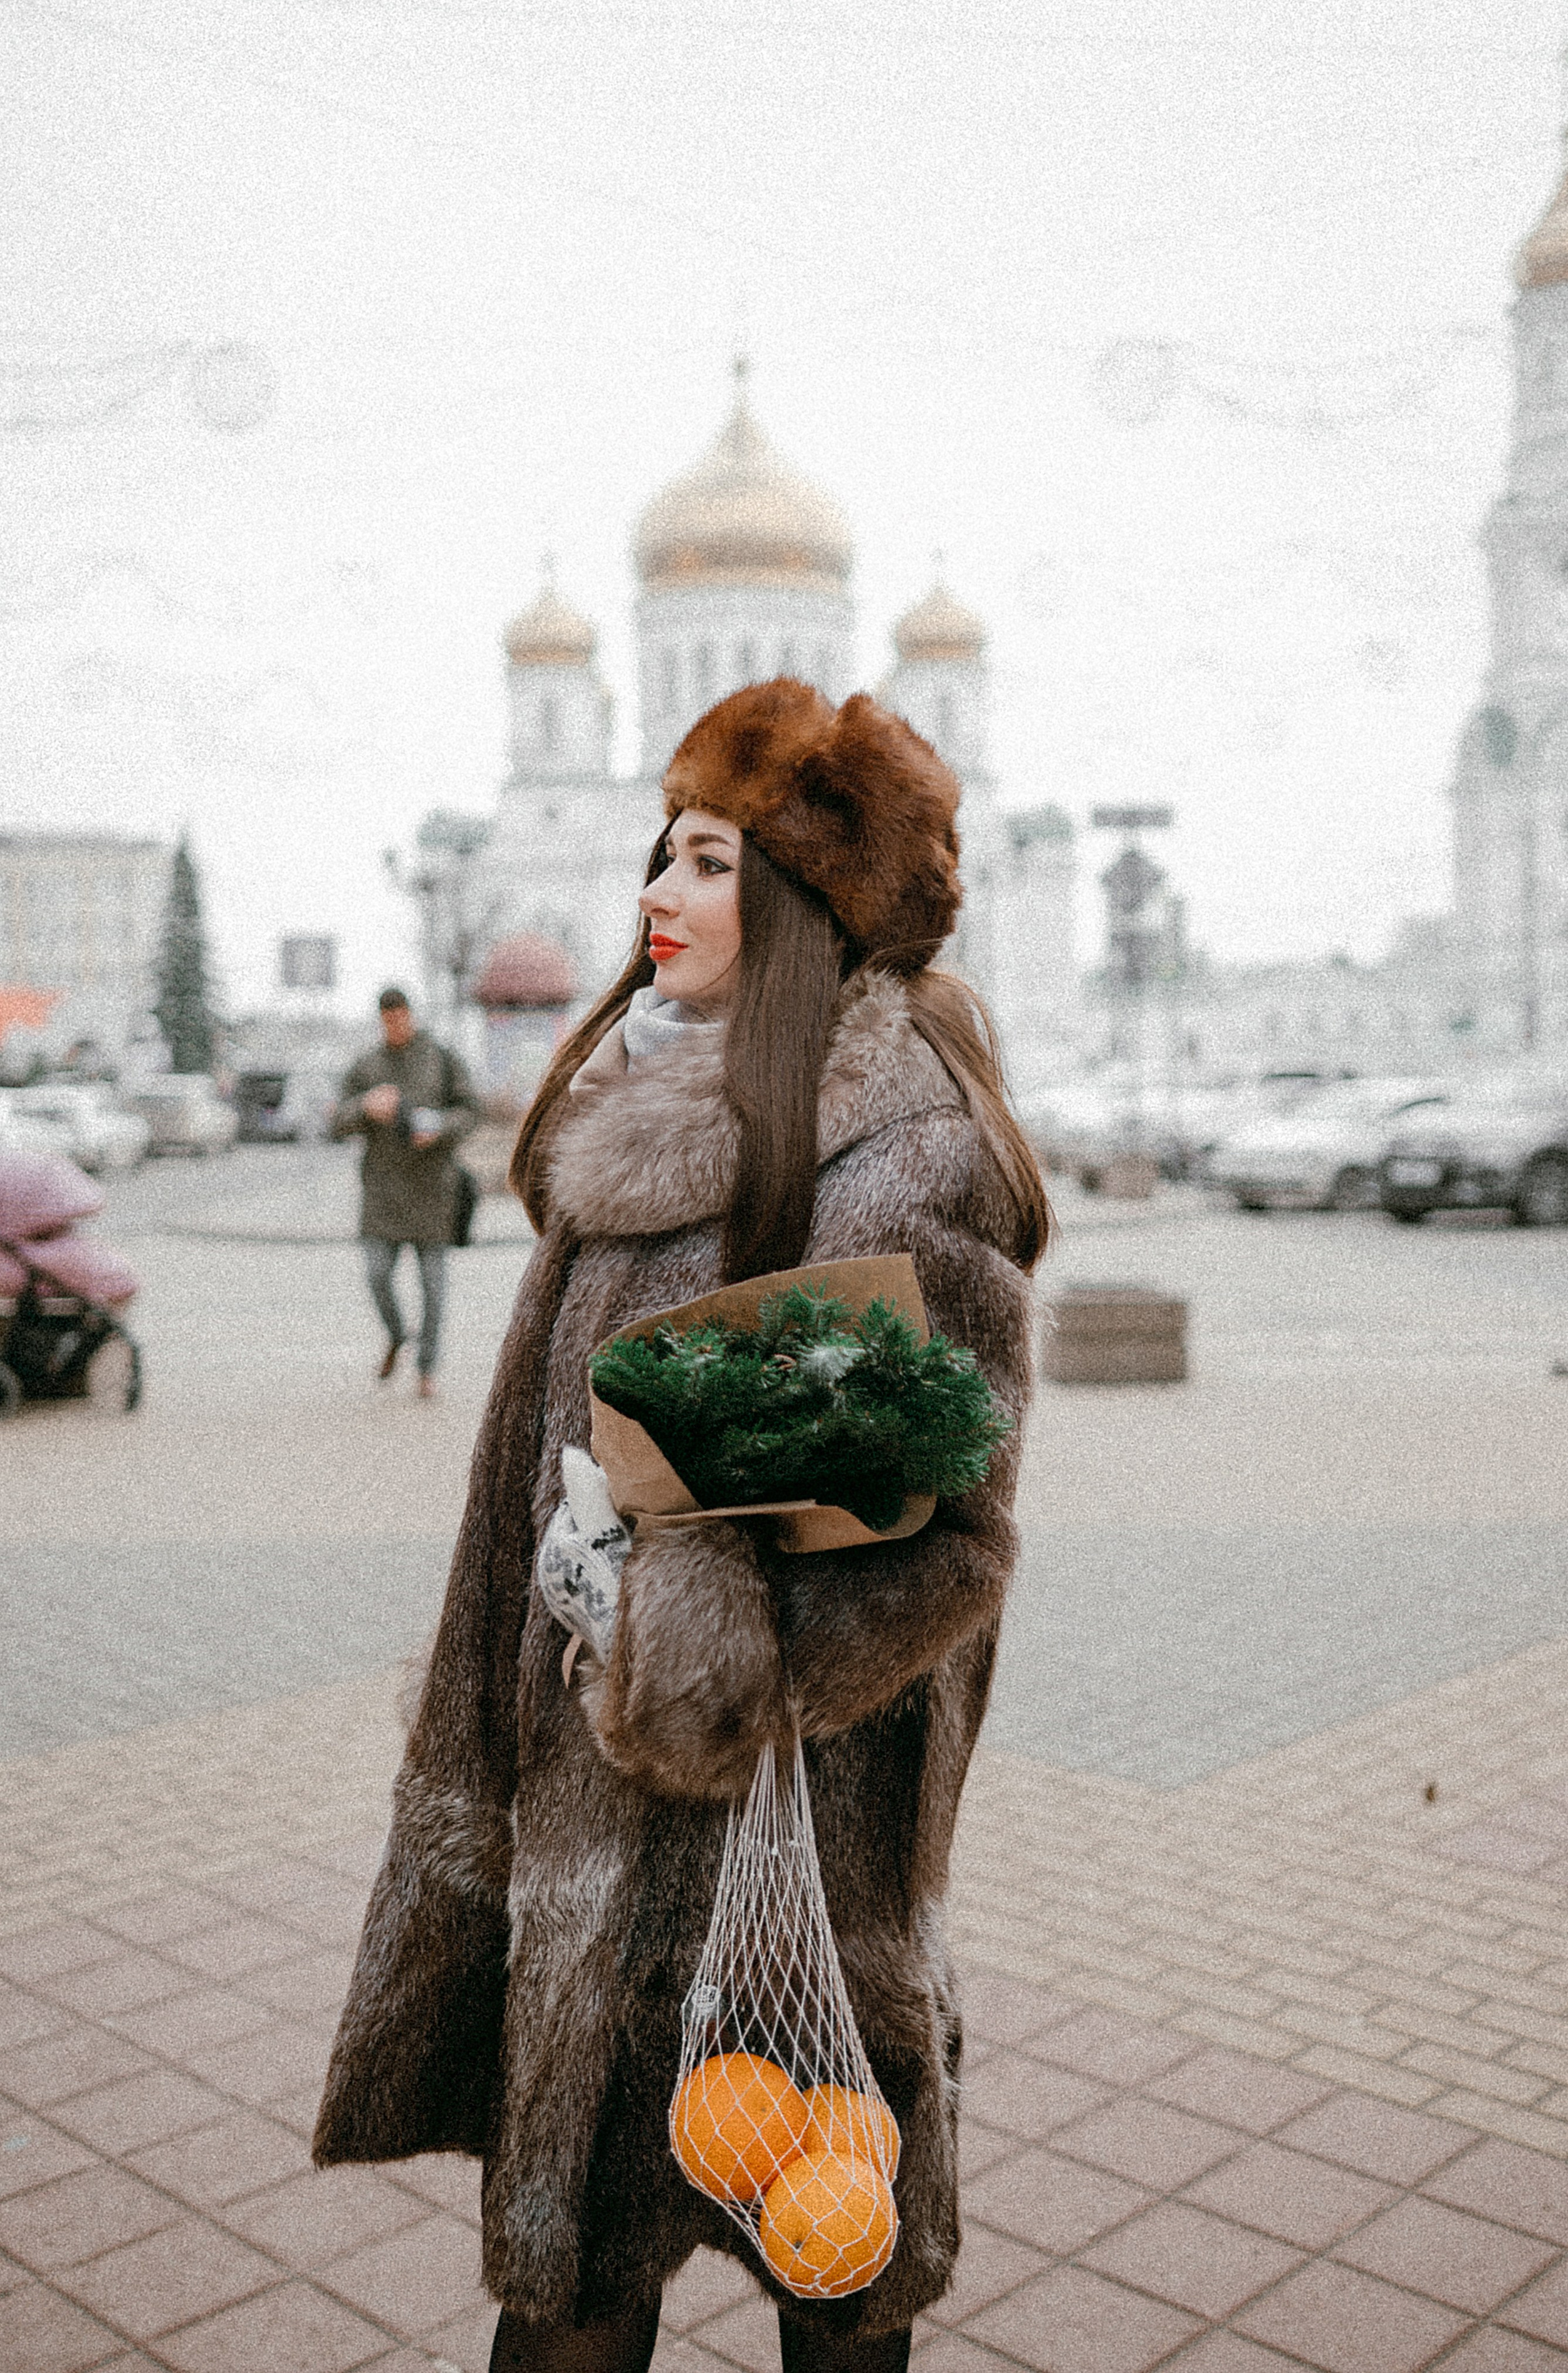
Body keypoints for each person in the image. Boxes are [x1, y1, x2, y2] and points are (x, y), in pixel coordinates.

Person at [314, 682, 1047, 2372]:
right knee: (571, 2295)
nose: (654, 891)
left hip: (800, 1851)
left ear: (805, 904)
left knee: (830, 2274)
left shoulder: (905, 1156)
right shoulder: (638, 1122)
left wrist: (651, 1619)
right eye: (661, 851)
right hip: (585, 1838)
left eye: (707, 859)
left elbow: (940, 1548)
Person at [333, 987, 478, 1400]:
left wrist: (440, 1127)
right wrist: (365, 1107)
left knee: (434, 1288)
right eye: (387, 1018)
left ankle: (427, 1367)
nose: (395, 1024)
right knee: (377, 1274)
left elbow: (471, 1110)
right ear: (381, 1019)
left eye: (401, 1016)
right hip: (382, 1194)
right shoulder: (367, 1065)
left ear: (411, 1014)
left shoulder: (441, 1058)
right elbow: (337, 1122)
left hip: (434, 1191)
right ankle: (397, 1334)